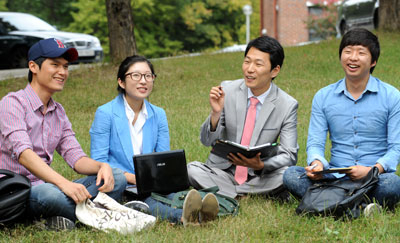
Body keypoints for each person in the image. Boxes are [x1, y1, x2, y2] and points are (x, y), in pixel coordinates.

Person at [0, 38, 127, 230]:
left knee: (117, 177)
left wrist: (102, 166)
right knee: (49, 194)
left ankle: (62, 219)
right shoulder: (12, 103)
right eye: (55, 65)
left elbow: (76, 158)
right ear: (33, 66)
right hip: (15, 191)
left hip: (47, 185)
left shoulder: (58, 112)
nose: (62, 72)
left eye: (65, 67)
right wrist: (65, 184)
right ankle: (107, 215)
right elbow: (24, 155)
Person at [89, 55, 219, 226]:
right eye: (135, 75)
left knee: (175, 195)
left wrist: (158, 178)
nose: (143, 81)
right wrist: (133, 178)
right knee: (147, 202)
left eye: (148, 76)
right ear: (121, 82)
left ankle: (204, 208)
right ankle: (183, 216)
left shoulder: (158, 114)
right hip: (120, 184)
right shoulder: (105, 113)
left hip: (152, 183)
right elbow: (99, 161)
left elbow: (162, 158)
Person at [283, 28, 400, 211]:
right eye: (348, 51)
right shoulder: (323, 97)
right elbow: (315, 143)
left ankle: (329, 202)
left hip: (375, 178)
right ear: (341, 57)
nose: (353, 58)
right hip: (335, 176)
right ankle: (359, 205)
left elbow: (396, 148)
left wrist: (372, 170)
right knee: (291, 175)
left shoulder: (392, 97)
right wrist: (317, 164)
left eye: (361, 53)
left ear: (373, 61)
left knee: (392, 184)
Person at [187, 35, 298, 199]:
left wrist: (261, 165)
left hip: (260, 176)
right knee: (191, 169)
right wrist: (215, 113)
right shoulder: (227, 90)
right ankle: (246, 194)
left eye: (258, 64)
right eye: (247, 61)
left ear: (275, 70)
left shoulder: (287, 104)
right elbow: (206, 141)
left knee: (289, 174)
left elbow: (289, 155)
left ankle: (229, 193)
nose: (249, 69)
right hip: (224, 171)